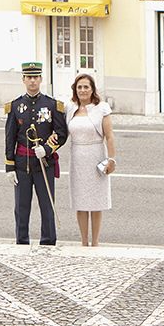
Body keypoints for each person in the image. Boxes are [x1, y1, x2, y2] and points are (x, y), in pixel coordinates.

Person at [5, 62, 67, 245]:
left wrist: (47, 149)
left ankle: (48, 241)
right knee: (21, 206)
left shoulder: (52, 105)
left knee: (47, 205)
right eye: (29, 77)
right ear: (23, 79)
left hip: (44, 163)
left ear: (41, 79)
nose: (32, 81)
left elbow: (61, 134)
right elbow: (10, 138)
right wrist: (9, 166)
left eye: (36, 77)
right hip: (22, 163)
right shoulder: (15, 106)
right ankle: (22, 240)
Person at [66, 73, 114, 246]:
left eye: (86, 86)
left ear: (92, 89)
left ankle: (95, 242)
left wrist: (111, 159)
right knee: (80, 201)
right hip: (77, 156)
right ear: (75, 89)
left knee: (96, 201)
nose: (83, 90)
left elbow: (109, 137)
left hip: (96, 155)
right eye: (79, 87)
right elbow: (62, 132)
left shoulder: (102, 108)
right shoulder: (70, 108)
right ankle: (84, 242)